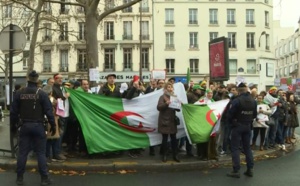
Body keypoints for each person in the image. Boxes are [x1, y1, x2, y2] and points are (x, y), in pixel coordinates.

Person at [10, 70, 56, 185]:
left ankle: (19, 178)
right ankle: (44, 178)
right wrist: (53, 125)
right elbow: (49, 111)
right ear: (37, 79)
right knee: (41, 153)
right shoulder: (42, 94)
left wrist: (13, 126)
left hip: (24, 125)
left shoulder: (20, 93)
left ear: (27, 78)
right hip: (38, 125)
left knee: (22, 153)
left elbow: (13, 112)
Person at [226, 82, 257, 178]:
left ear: (238, 91)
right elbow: (255, 115)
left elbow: (229, 115)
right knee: (247, 148)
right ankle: (250, 169)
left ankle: (236, 170)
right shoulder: (253, 100)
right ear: (246, 90)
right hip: (248, 126)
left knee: (235, 148)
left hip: (237, 126)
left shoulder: (236, 101)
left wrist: (232, 122)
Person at [157, 82, 180, 163]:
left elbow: (178, 109)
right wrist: (166, 104)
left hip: (172, 121)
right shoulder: (162, 97)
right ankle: (164, 155)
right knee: (165, 139)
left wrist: (178, 105)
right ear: (165, 89)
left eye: (171, 87)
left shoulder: (174, 97)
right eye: (168, 87)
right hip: (164, 120)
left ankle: (175, 155)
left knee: (174, 139)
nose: (170, 89)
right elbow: (159, 107)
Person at [52, 73, 69, 161]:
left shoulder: (59, 88)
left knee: (61, 134)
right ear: (54, 79)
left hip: (62, 114)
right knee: (58, 134)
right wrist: (64, 97)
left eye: (62, 78)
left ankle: (58, 151)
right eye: (58, 78)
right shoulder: (53, 88)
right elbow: (54, 101)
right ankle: (56, 153)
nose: (60, 80)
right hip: (57, 115)